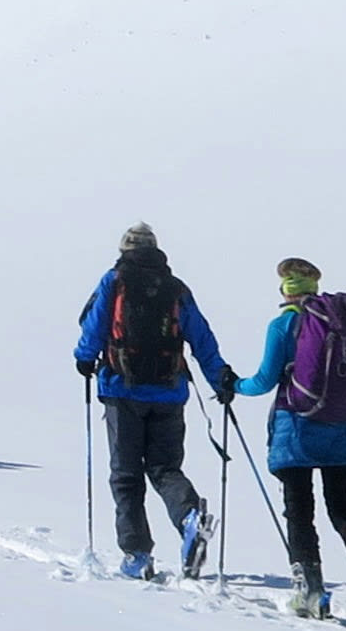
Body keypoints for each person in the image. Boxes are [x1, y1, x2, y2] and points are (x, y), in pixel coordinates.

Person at [228, 257, 346, 619]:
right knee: (343, 506)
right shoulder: (339, 324)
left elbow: (264, 381)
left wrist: (233, 385)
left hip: (297, 428)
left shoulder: (283, 325)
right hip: (344, 426)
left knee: (300, 510)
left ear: (285, 289)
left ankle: (309, 589)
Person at [73, 223, 232, 578]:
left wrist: (84, 358)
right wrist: (219, 377)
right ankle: (189, 518)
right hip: (169, 392)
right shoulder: (175, 288)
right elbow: (201, 336)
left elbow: (96, 326)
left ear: (124, 249)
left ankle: (137, 554)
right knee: (165, 468)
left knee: (126, 475)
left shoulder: (115, 280)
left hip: (121, 390)